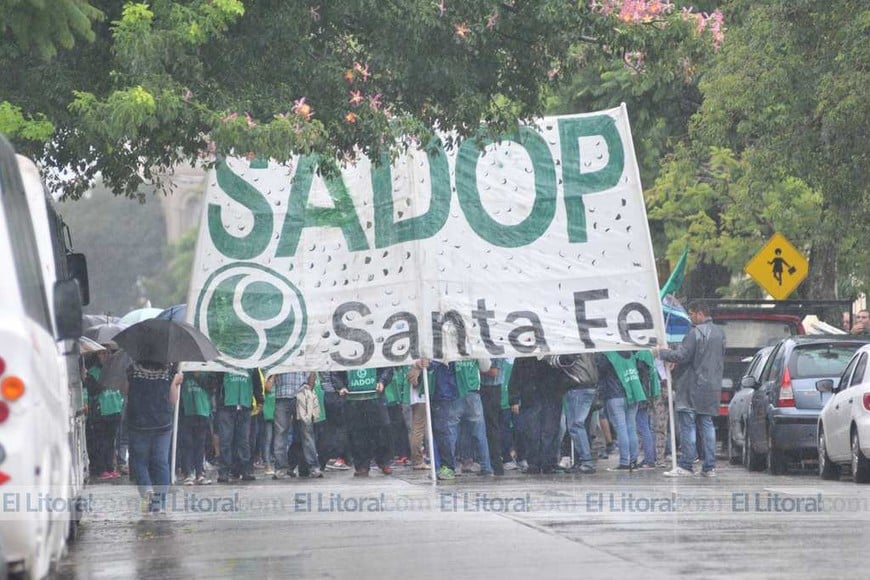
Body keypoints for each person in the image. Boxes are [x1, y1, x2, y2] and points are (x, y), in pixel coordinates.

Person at [655, 301, 726, 477]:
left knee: (688, 426)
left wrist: (661, 353)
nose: (690, 317)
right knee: (707, 424)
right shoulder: (720, 334)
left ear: (700, 313)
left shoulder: (695, 333)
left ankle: (686, 465)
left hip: (691, 387)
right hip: (712, 386)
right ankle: (709, 467)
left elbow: (681, 355)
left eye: (692, 314)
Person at [125, 360, 183, 514]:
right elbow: (172, 400)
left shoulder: (132, 370)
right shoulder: (169, 372)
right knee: (161, 462)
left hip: (138, 423)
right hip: (162, 423)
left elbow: (126, 392)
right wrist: (175, 382)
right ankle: (159, 504)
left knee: (140, 461)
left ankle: (147, 489)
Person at [508, 356, 569, 475]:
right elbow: (516, 375)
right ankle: (536, 463)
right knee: (533, 432)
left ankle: (547, 463)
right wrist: (514, 399)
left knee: (548, 430)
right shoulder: (525, 355)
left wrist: (514, 398)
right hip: (535, 395)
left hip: (548, 394)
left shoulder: (553, 352)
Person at [340, 367, 395, 477]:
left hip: (375, 397)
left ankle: (384, 462)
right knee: (357, 434)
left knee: (382, 430)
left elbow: (387, 367)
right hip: (353, 399)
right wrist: (340, 386)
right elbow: (336, 371)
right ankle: (362, 466)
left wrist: (382, 381)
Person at [554, 353, 599, 474]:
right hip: (589, 386)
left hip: (577, 386)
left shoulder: (573, 348)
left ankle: (586, 461)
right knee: (579, 425)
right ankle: (583, 461)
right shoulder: (588, 351)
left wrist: (549, 357)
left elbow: (563, 360)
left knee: (576, 425)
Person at [179, 371, 215, 485]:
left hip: (202, 411)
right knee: (187, 444)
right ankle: (188, 473)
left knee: (200, 444)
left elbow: (212, 388)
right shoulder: (182, 370)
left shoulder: (208, 372)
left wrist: (198, 376)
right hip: (186, 411)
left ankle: (200, 473)